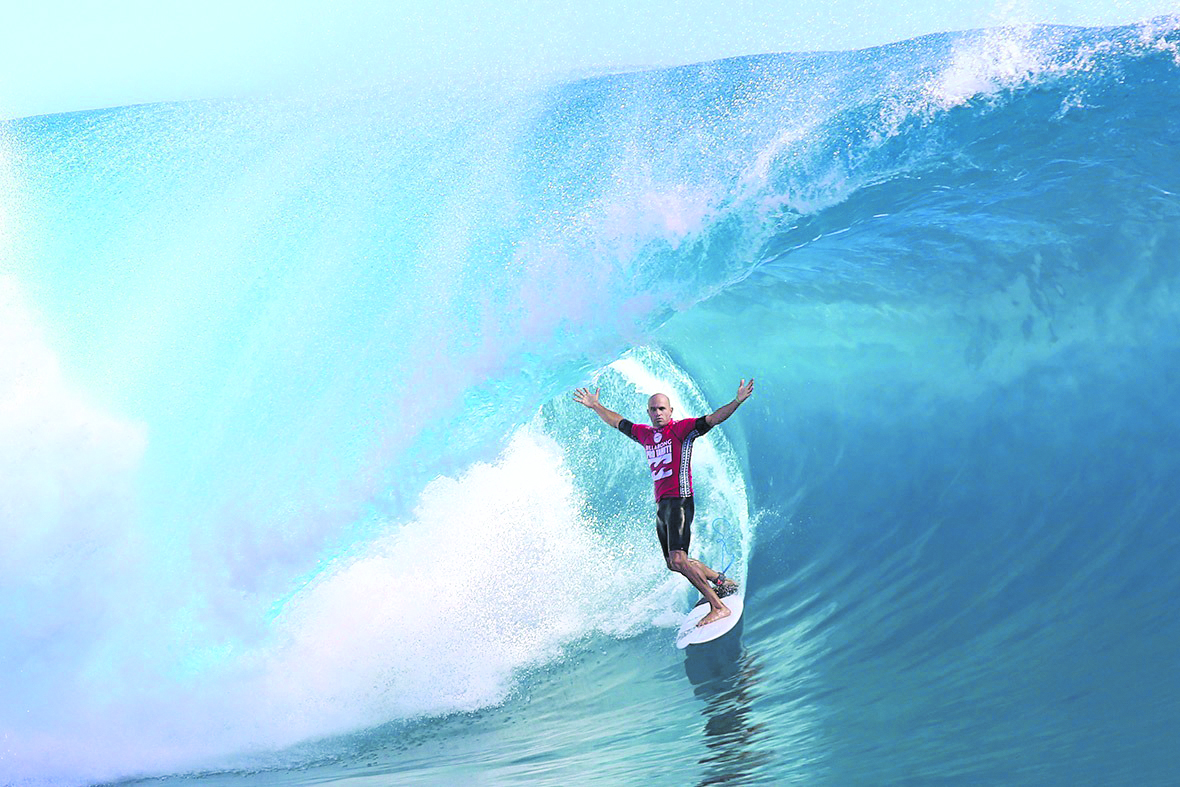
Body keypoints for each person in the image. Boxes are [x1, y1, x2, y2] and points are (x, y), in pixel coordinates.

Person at [573, 379, 754, 626]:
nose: (658, 413)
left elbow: (713, 419)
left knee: (679, 559)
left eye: (662, 409)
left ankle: (718, 606)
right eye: (653, 409)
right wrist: (596, 406)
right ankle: (722, 583)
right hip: (662, 506)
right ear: (648, 412)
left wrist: (737, 401)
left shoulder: (683, 430)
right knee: (673, 563)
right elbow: (617, 422)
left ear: (670, 411)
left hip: (679, 500)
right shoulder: (645, 435)